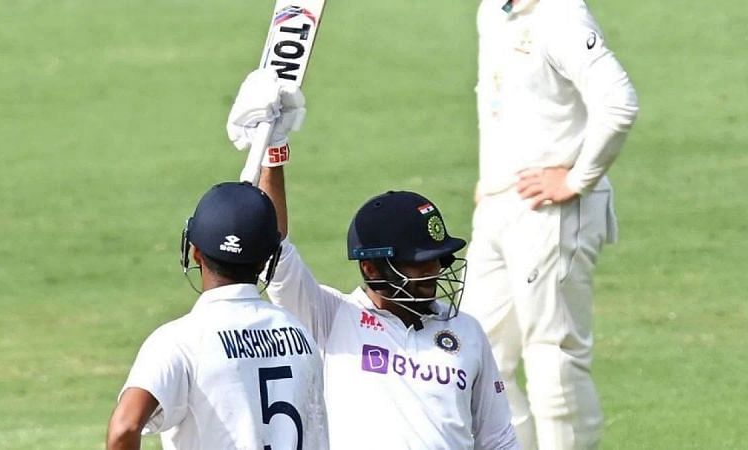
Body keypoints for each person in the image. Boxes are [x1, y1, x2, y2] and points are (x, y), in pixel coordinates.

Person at [226, 69, 519, 450]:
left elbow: (498, 440)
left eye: (438, 258)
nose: (435, 270)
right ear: (371, 267)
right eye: (419, 261)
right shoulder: (331, 318)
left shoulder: (466, 332)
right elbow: (275, 252)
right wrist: (273, 152)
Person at [464, 0, 639, 448]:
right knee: (478, 354)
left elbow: (619, 103)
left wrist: (577, 178)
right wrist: (492, 181)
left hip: (552, 210)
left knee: (553, 360)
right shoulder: (493, 12)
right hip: (501, 206)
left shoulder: (561, 16)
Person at [106, 182, 328, 450]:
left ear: (195, 252)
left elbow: (124, 428)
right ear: (265, 261)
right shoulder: (299, 334)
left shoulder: (178, 341)